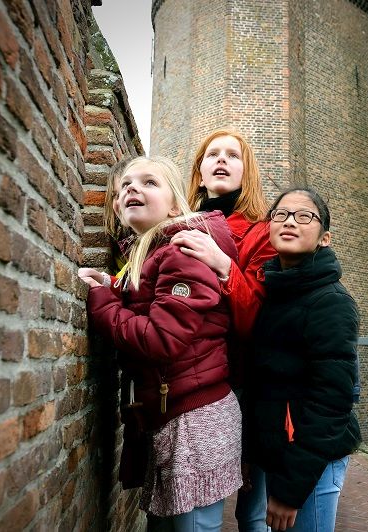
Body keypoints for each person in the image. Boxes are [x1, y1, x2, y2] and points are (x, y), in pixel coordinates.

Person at [77, 156, 242, 531]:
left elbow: (161, 339)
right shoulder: (151, 252)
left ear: (174, 206)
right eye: (126, 185)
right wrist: (111, 285)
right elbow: (145, 299)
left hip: (195, 421)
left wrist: (103, 303)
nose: (132, 188)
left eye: (149, 182)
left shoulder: (181, 252)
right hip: (176, 413)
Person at [171, 128, 277, 532]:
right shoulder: (176, 226)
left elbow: (258, 320)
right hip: (190, 380)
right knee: (185, 499)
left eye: (233, 156)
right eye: (212, 154)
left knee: (252, 510)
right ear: (198, 172)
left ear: (246, 173)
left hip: (247, 379)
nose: (221, 160)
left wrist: (222, 264)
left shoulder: (261, 233)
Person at [247, 187, 362, 532]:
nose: (290, 222)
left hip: (311, 462)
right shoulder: (276, 291)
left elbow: (332, 403)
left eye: (304, 216)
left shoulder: (331, 302)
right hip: (283, 453)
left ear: (325, 238)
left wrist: (290, 490)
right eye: (281, 214)